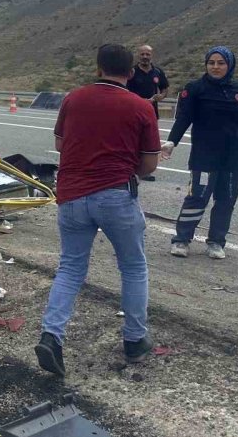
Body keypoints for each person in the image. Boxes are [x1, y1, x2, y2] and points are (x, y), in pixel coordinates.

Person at [35, 44, 159, 376]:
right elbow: (147, 165)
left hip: (72, 196)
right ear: (131, 73)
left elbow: (61, 143)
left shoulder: (73, 99)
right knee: (133, 267)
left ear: (98, 67)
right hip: (116, 196)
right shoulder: (141, 106)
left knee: (71, 269)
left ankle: (51, 336)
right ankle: (134, 339)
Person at [162, 47, 238, 260]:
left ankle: (216, 242)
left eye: (221, 63)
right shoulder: (195, 89)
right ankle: (181, 239)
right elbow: (183, 118)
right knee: (197, 197)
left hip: (234, 157)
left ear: (229, 65)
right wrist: (172, 141)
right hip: (204, 156)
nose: (215, 67)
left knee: (226, 200)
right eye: (212, 63)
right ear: (206, 65)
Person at [126, 45, 170, 182]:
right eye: (142, 54)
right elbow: (123, 88)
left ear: (152, 55)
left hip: (151, 112)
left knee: (148, 141)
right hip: (132, 112)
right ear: (138, 55)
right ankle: (128, 170)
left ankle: (144, 172)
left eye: (148, 54)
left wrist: (161, 97)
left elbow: (164, 88)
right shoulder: (131, 71)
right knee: (131, 141)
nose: (145, 56)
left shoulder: (157, 72)